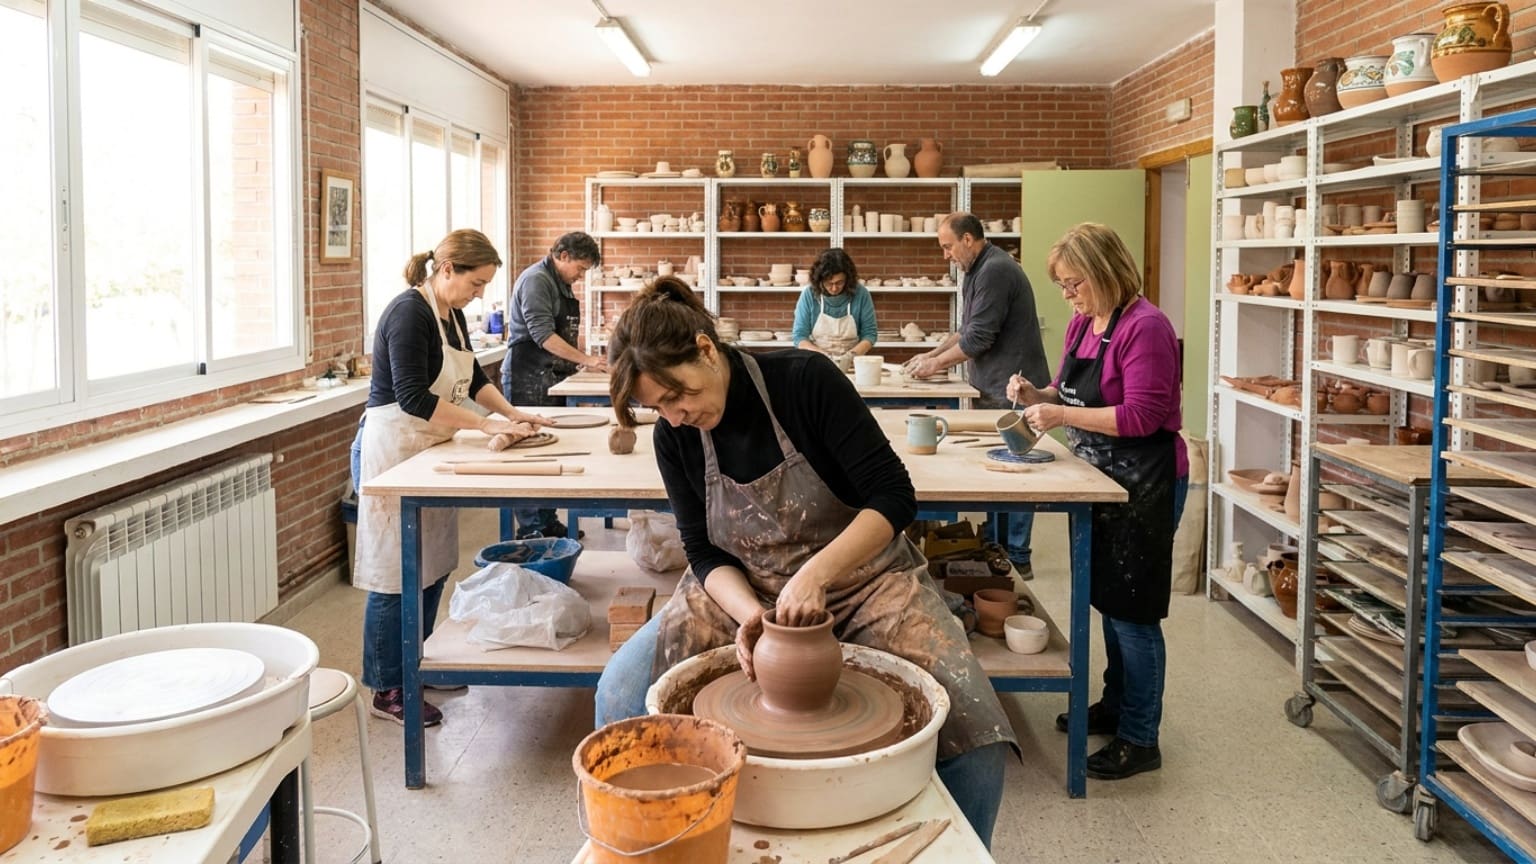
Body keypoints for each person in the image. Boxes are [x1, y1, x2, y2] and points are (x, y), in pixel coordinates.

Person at [592, 277, 1016, 847]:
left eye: (677, 396)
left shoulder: (804, 382)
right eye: (657, 407)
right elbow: (702, 548)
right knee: (619, 695)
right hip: (744, 586)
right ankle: (671, 847)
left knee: (975, 732)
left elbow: (893, 496)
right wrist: (748, 615)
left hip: (867, 581)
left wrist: (816, 575)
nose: (674, 416)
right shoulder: (677, 437)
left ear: (706, 349)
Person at [1007, 222, 1188, 780]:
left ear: (1105, 271)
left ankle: (1140, 736)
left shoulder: (1147, 327)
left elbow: (1142, 416)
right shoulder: (1086, 324)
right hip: (1099, 478)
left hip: (1146, 481)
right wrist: (1036, 396)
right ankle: (1114, 705)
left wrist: (1060, 416)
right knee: (1108, 602)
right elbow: (1066, 393)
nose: (1068, 296)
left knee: (1134, 613)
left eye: (1074, 283)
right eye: (1062, 286)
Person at [352, 229, 552, 726]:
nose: (479, 292)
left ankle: (415, 663)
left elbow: (475, 380)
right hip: (392, 448)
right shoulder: (408, 313)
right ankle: (388, 687)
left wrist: (514, 413)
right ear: (447, 270)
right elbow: (414, 397)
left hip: (429, 445)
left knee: (432, 561)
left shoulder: (452, 315)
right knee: (395, 572)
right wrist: (487, 426)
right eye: (476, 282)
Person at [907, 212, 1050, 577]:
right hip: (995, 384)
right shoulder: (977, 271)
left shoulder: (995, 271)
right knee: (1001, 472)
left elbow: (978, 340)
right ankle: (1000, 547)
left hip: (1018, 388)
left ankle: (1017, 556)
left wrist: (935, 367)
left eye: (948, 246)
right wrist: (932, 354)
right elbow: (964, 330)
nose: (945, 255)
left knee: (1017, 474)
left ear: (968, 239)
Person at [500, 231, 608, 539]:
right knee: (530, 454)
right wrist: (587, 360)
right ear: (562, 256)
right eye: (580, 268)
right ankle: (533, 528)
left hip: (553, 376)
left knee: (553, 451)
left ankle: (547, 520)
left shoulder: (560, 282)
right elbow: (543, 336)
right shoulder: (537, 281)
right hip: (528, 376)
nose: (581, 275)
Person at [790, 248, 877, 366]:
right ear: (819, 280)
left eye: (840, 282)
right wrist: (821, 356)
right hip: (817, 361)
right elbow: (799, 336)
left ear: (848, 279)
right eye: (829, 283)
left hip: (852, 363)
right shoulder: (809, 294)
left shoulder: (861, 293)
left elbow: (870, 334)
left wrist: (852, 355)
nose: (834, 288)